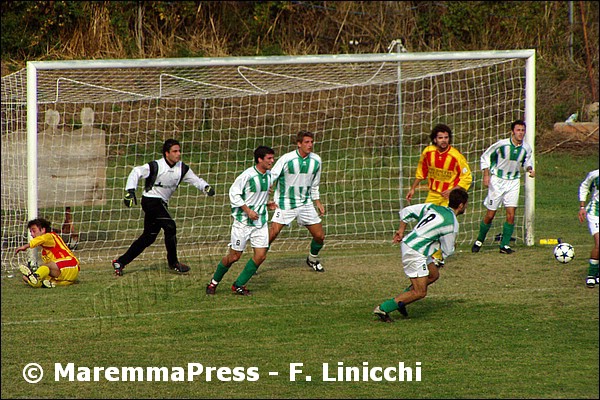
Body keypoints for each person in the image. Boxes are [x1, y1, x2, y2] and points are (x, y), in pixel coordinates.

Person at [112, 139, 215, 276]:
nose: (178, 154)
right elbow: (136, 171)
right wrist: (130, 191)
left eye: (179, 151)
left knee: (148, 237)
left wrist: (205, 187)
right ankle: (173, 262)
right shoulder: (155, 166)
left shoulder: (182, 168)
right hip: (150, 201)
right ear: (167, 153)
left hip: (161, 203)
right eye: (175, 151)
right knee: (170, 226)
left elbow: (195, 180)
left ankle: (120, 262)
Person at [373, 187, 469, 322]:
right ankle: (383, 308)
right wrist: (447, 251)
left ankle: (404, 300)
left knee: (433, 275)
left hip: (417, 247)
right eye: (466, 204)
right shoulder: (452, 224)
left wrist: (401, 230)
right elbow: (448, 250)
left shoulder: (434, 207)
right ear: (461, 205)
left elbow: (407, 211)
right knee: (420, 292)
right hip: (415, 250)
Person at [205, 146, 276, 296]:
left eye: (272, 158)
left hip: (260, 222)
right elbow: (234, 193)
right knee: (234, 257)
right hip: (243, 223)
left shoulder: (269, 175)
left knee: (261, 256)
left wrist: (266, 203)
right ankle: (213, 282)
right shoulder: (247, 175)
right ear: (260, 159)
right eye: (269, 158)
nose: (272, 161)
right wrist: (248, 210)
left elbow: (257, 195)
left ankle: (238, 285)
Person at [405, 124, 472, 267]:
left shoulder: (455, 156)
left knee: (445, 225)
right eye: (440, 138)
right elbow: (421, 171)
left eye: (446, 138)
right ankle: (430, 254)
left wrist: (453, 190)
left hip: (449, 198)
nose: (444, 140)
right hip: (433, 194)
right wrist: (413, 188)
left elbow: (467, 177)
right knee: (427, 223)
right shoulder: (428, 152)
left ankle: (438, 257)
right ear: (435, 139)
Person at [471, 120, 534, 254]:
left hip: (513, 182)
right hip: (497, 181)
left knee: (511, 214)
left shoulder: (527, 148)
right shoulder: (501, 145)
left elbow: (527, 161)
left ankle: (504, 245)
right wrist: (486, 175)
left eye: (523, 130)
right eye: (518, 130)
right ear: (512, 132)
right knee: (490, 215)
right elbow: (486, 156)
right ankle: (479, 240)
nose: (520, 133)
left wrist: (529, 169)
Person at [268, 130, 326, 272]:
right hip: (285, 203)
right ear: (299, 144)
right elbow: (272, 176)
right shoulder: (287, 159)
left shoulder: (316, 160)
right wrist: (266, 189)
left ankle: (312, 259)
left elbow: (315, 183)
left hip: (305, 204)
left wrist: (317, 201)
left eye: (311, 142)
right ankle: (257, 259)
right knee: (273, 234)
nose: (310, 145)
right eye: (306, 142)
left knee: (319, 236)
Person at [15, 218, 80, 288]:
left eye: (34, 231)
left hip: (70, 263)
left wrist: (25, 246)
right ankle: (37, 282)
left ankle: (36, 276)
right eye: (30, 232)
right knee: (27, 278)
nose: (32, 234)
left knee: (45, 266)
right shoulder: (45, 251)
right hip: (65, 275)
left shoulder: (50, 235)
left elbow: (41, 239)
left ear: (43, 230)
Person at [578, 169, 599, 288]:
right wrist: (582, 207)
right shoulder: (595, 175)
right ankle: (591, 275)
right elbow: (584, 186)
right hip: (595, 213)